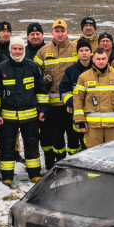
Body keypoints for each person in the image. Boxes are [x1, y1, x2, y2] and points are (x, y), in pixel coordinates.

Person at [0, 36, 45, 186]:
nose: (17, 52)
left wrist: (43, 109)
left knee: (32, 145)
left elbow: (40, 90)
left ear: (24, 49)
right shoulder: (1, 68)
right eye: (14, 49)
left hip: (30, 117)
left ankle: (34, 174)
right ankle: (7, 177)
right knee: (7, 147)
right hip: (7, 118)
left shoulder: (32, 66)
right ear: (10, 49)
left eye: (20, 49)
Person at [33, 19, 78, 169]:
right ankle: (55, 165)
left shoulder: (76, 48)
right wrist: (42, 80)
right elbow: (34, 74)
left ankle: (74, 166)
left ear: (67, 32)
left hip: (72, 104)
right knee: (55, 137)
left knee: (73, 136)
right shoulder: (43, 51)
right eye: (57, 31)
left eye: (62, 31)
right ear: (52, 33)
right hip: (52, 105)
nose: (60, 34)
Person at [71, 48, 114, 149]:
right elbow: (78, 99)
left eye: (103, 58)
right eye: (98, 59)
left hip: (113, 126)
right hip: (92, 127)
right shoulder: (84, 77)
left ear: (107, 59)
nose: (101, 61)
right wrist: (80, 120)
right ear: (93, 60)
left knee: (113, 153)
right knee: (93, 155)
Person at [57, 38, 94, 158]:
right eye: (81, 50)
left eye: (87, 50)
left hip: (93, 114)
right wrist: (75, 103)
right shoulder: (70, 71)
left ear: (91, 52)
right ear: (77, 53)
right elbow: (63, 91)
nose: (84, 52)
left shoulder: (96, 69)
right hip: (74, 114)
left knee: (90, 144)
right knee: (74, 144)